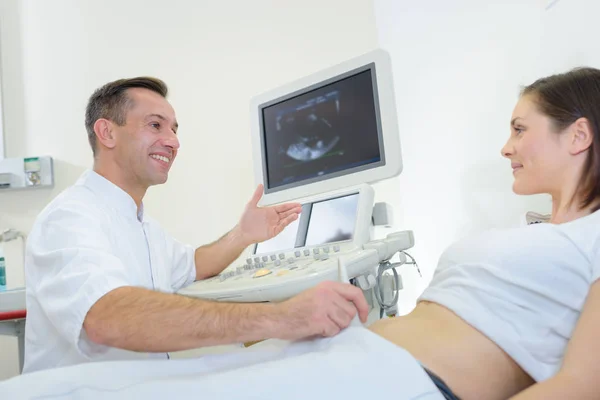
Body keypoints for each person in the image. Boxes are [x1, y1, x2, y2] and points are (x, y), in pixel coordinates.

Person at [22, 77, 369, 373]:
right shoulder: (69, 218)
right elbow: (107, 317)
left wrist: (243, 234)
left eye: (174, 129)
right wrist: (283, 317)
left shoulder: (142, 225)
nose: (172, 141)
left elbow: (193, 266)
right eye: (155, 125)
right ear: (106, 132)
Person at [368, 66, 600, 400]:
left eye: (520, 130)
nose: (506, 148)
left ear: (579, 136)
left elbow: (584, 383)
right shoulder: (525, 229)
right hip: (359, 353)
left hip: (408, 382)